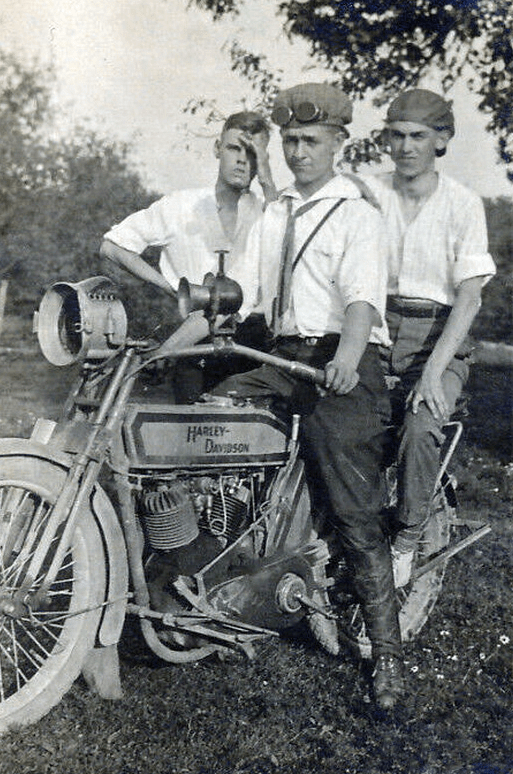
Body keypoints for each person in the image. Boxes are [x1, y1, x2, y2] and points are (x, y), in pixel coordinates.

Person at [209, 83, 404, 710]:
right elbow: (237, 293)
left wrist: (346, 359)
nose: (298, 152)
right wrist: (186, 330)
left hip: (344, 360)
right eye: (290, 140)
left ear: (339, 143)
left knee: (353, 509)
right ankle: (228, 568)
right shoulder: (276, 213)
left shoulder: (357, 214)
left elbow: (361, 301)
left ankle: (387, 654)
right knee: (209, 419)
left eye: (311, 140)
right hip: (282, 356)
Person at [363, 89, 496, 587]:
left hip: (439, 335)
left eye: (418, 136)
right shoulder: (368, 193)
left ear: (441, 140)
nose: (405, 147)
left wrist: (434, 372)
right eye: (396, 136)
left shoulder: (462, 203)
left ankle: (406, 539)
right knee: (335, 417)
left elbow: (470, 298)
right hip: (376, 327)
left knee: (420, 427)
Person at [100, 110, 276, 402]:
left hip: (253, 349)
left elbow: (286, 237)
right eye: (234, 148)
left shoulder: (267, 212)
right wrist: (172, 288)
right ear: (217, 148)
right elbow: (112, 246)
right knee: (189, 424)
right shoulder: (181, 206)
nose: (242, 160)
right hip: (194, 348)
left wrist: (268, 183)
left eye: (253, 153)